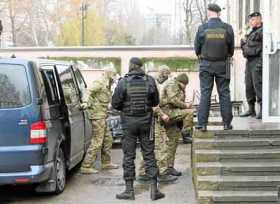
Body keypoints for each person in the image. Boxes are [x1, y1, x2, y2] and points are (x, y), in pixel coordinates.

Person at [112, 58, 165, 201]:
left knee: (129, 156)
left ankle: (129, 190)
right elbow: (155, 102)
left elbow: (115, 104)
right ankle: (154, 190)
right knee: (149, 154)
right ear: (141, 67)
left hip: (128, 124)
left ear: (131, 66)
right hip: (146, 122)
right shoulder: (150, 80)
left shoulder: (123, 82)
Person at [194, 3, 235, 131]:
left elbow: (197, 48)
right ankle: (227, 123)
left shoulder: (202, 28)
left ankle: (202, 124)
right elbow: (231, 49)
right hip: (223, 64)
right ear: (219, 13)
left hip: (206, 64)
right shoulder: (227, 28)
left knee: (205, 93)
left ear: (209, 12)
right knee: (224, 92)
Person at [138, 65, 178, 183]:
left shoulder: (143, 83)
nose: (168, 77)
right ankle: (163, 173)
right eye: (167, 74)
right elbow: (154, 104)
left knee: (146, 146)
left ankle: (143, 172)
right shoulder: (152, 83)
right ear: (163, 74)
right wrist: (163, 114)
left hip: (142, 119)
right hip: (152, 120)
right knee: (161, 145)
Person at [80, 67, 119, 174]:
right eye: (114, 74)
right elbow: (88, 91)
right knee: (97, 141)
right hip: (97, 116)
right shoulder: (99, 82)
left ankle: (106, 162)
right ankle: (86, 166)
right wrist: (85, 102)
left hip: (103, 115)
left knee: (108, 139)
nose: (115, 77)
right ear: (109, 74)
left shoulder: (108, 84)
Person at [160, 73, 193, 176]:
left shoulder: (178, 86)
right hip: (167, 113)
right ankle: (186, 134)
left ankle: (169, 167)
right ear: (181, 82)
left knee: (173, 142)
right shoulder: (172, 84)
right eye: (185, 85)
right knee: (190, 112)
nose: (185, 87)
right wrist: (186, 105)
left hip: (174, 115)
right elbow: (172, 100)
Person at [240, 12, 263, 119]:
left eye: (253, 19)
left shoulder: (262, 32)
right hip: (249, 62)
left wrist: (260, 64)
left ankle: (263, 110)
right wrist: (243, 42)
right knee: (249, 86)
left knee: (258, 85)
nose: (250, 22)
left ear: (259, 19)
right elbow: (245, 51)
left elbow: (257, 49)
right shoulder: (251, 33)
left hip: (257, 61)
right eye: (250, 20)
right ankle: (251, 109)